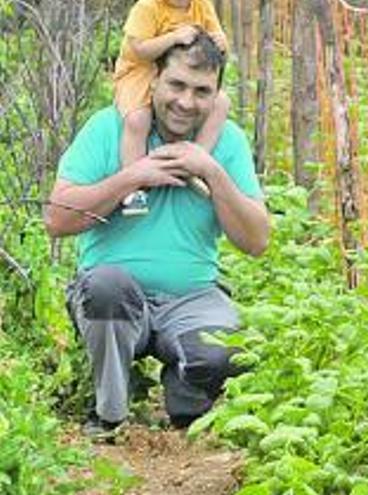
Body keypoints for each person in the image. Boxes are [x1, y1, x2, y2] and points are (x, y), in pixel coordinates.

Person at [43, 32, 270, 440]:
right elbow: (57, 219)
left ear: (217, 94)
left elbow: (256, 242)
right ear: (153, 80)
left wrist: (211, 171)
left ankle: (185, 407)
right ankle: (109, 412)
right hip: (113, 295)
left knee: (227, 348)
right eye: (177, 85)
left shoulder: (227, 141)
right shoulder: (109, 126)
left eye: (202, 91)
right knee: (105, 288)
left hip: (192, 297)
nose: (186, 101)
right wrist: (134, 176)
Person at [114, 0, 229, 215]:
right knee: (137, 118)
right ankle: (134, 186)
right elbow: (138, 49)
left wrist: (221, 42)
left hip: (182, 72)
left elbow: (217, 42)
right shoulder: (147, 7)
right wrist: (173, 38)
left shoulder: (201, 5)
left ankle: (194, 160)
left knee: (221, 103)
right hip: (140, 70)